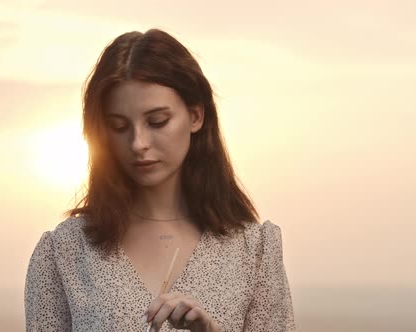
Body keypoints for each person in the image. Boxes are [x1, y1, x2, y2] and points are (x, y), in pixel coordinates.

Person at [24, 28, 296, 331]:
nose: (138, 142)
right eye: (119, 126)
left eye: (157, 121)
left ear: (195, 116)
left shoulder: (253, 252)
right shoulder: (66, 252)